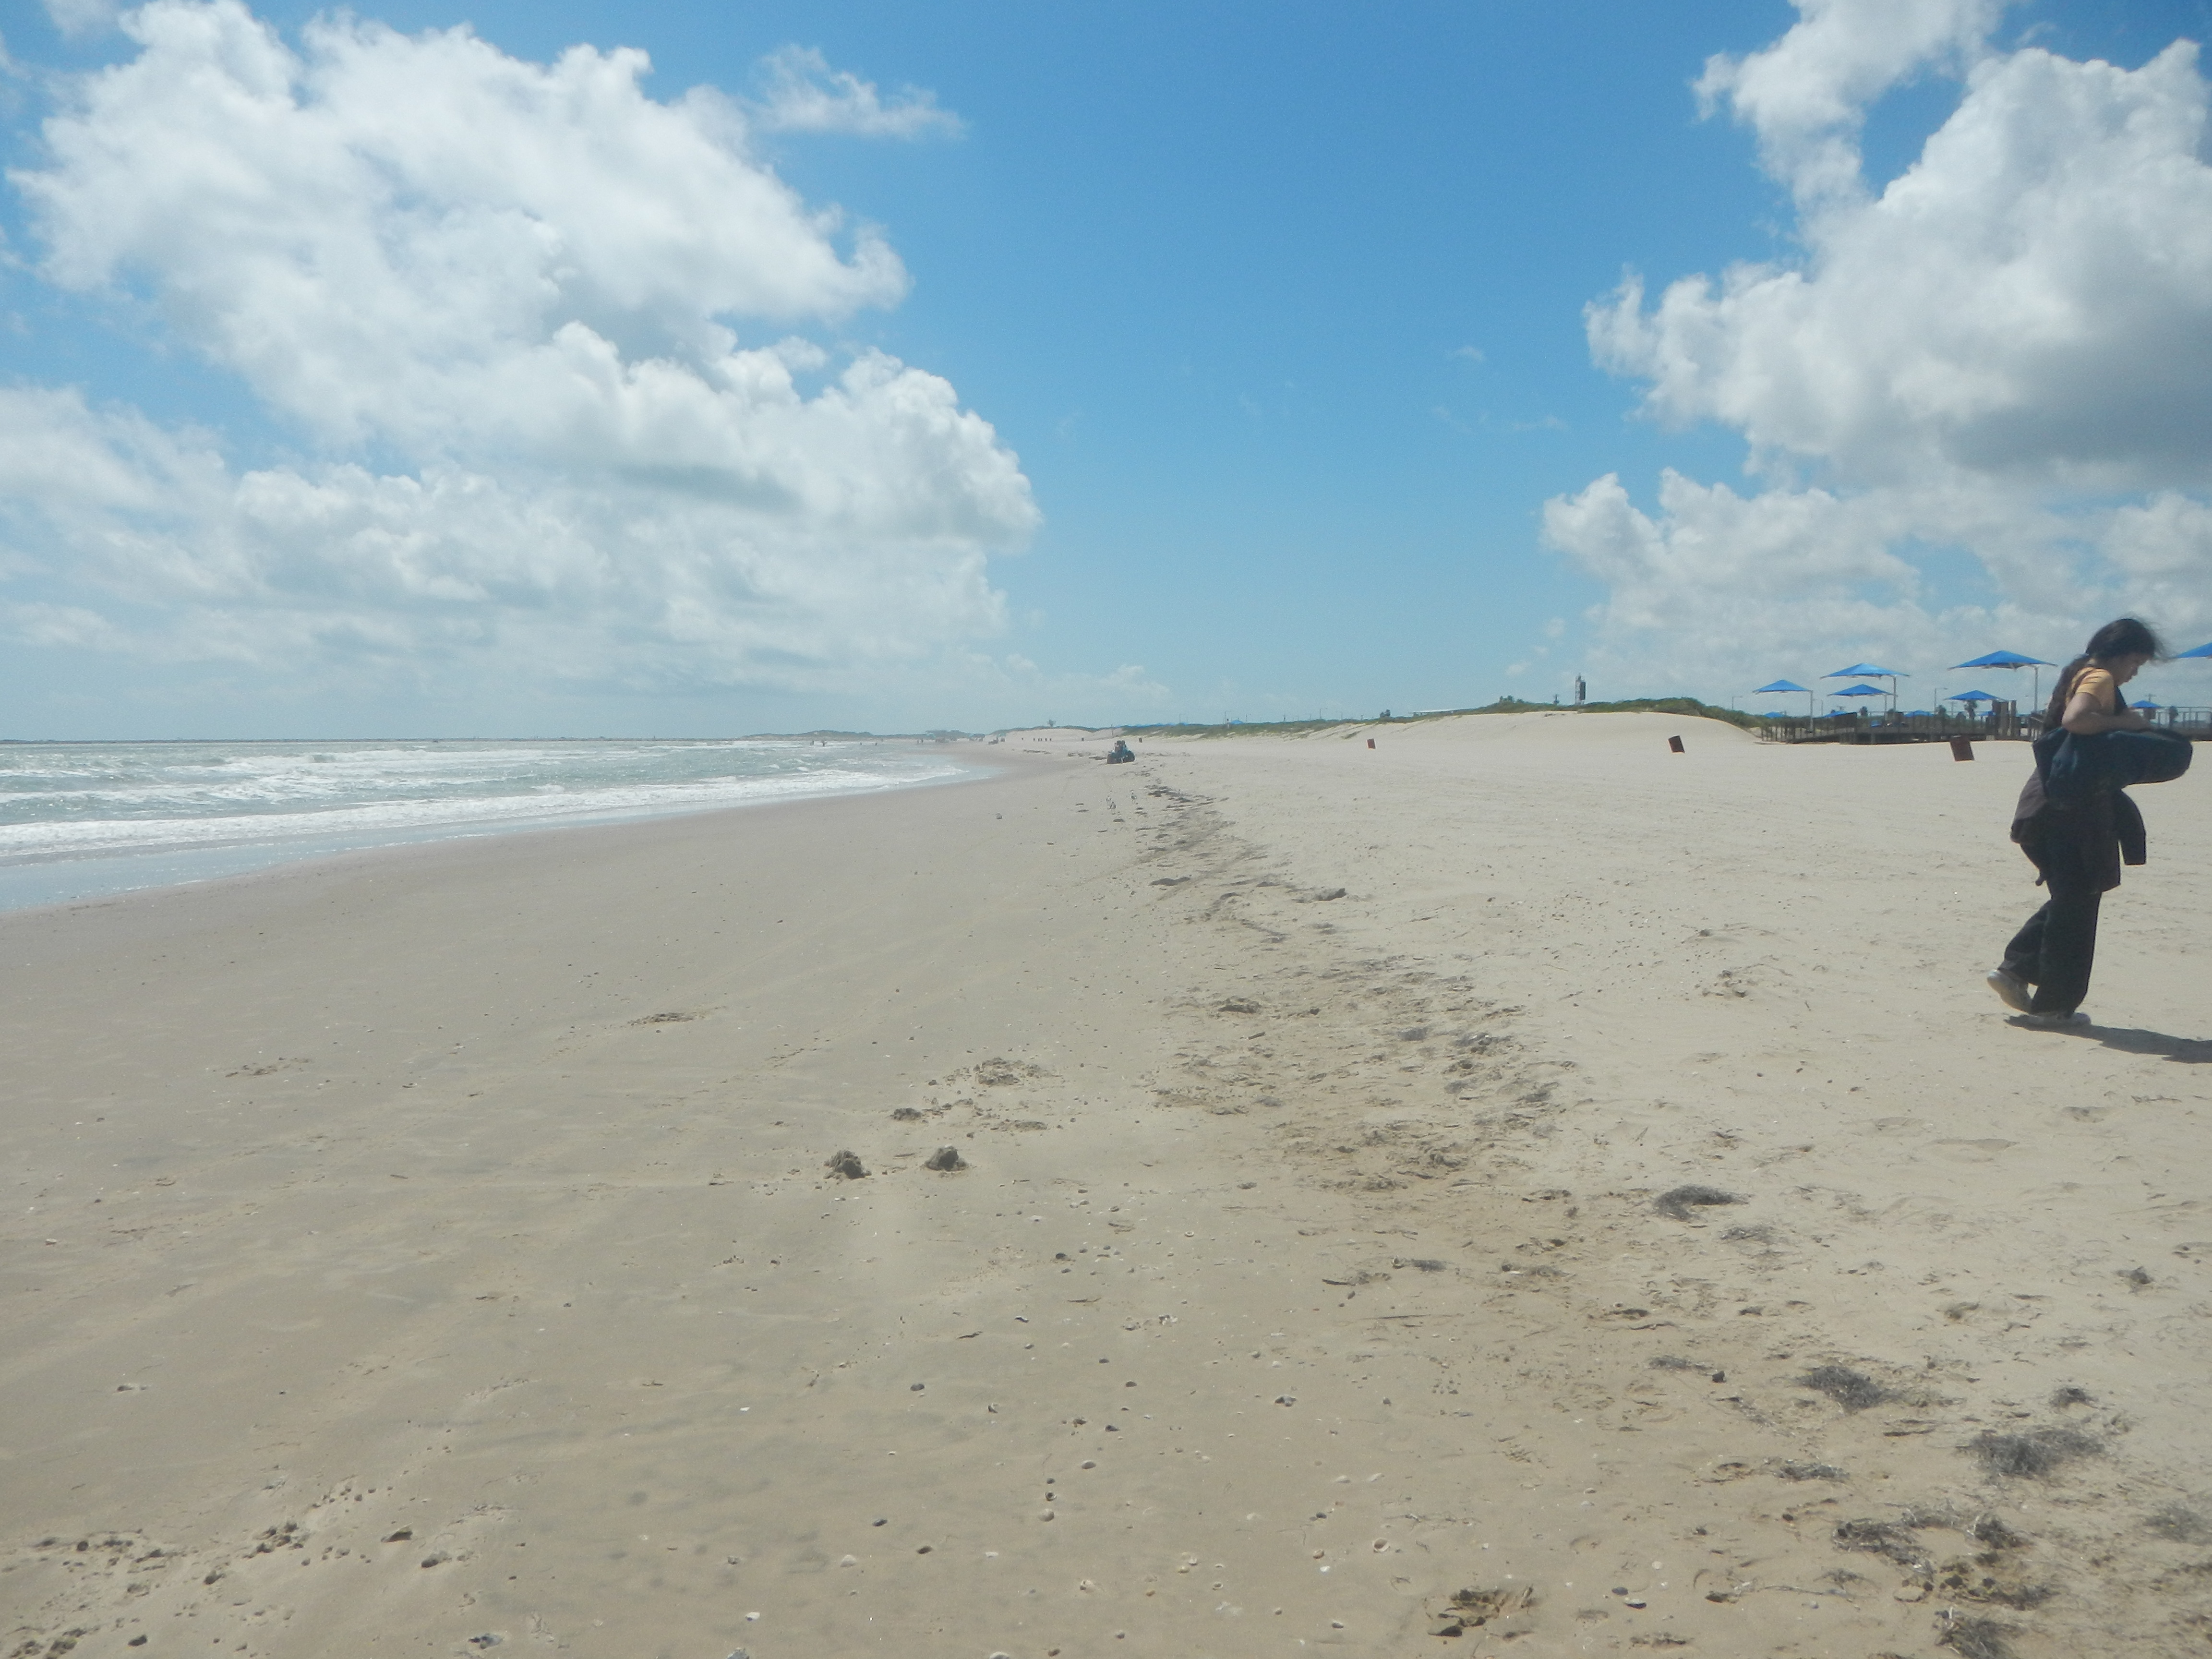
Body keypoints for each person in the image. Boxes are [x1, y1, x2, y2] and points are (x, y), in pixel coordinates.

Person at [1987, 618, 2178, 1027]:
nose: (2135, 672)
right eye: (2137, 662)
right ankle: (2052, 1005)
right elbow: (2077, 720)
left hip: (2046, 803)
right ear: (2122, 654)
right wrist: (2126, 723)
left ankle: (2017, 970)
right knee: (2079, 899)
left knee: (2072, 895)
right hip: (2071, 810)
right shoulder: (2100, 678)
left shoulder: (2076, 672)